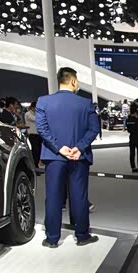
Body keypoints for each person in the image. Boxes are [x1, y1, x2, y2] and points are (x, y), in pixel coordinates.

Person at [36, 67, 99, 248]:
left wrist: (59, 148)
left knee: (53, 197)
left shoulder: (43, 102)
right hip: (79, 157)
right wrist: (79, 147)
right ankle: (82, 236)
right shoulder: (85, 103)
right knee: (79, 196)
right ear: (73, 81)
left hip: (54, 157)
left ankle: (52, 239)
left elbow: (42, 129)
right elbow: (94, 129)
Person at [125, 102, 138, 173]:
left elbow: (128, 129)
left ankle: (133, 167)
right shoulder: (137, 119)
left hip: (132, 137)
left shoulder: (128, 120)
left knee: (132, 153)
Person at [24, 101, 41, 167]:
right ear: (33, 107)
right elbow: (36, 119)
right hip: (32, 135)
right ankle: (34, 165)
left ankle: (36, 165)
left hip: (38, 135)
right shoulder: (28, 114)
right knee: (35, 151)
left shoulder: (36, 114)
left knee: (38, 151)